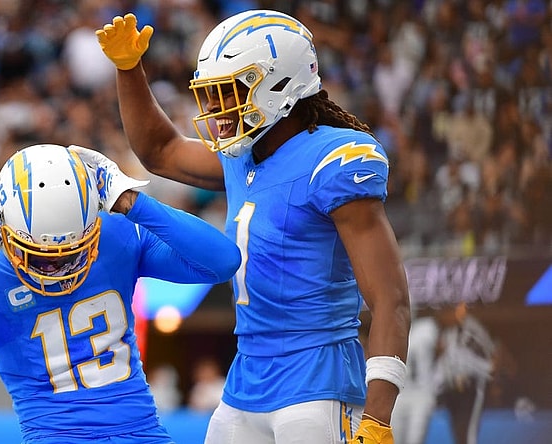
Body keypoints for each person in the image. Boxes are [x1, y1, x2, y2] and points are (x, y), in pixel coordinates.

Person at [96, 10, 411, 444]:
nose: (215, 107)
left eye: (229, 91)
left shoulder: (333, 159)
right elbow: (160, 150)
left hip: (318, 382)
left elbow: (391, 299)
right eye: (211, 94)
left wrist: (378, 418)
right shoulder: (243, 156)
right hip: (245, 381)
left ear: (279, 84)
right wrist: (129, 69)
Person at [0, 143, 242, 443]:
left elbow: (223, 262)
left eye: (72, 252)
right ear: (5, 228)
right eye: (40, 255)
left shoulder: (115, 233)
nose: (58, 267)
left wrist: (133, 202)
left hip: (143, 432)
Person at [433, 303, 495, 444]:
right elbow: (445, 363)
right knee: (459, 433)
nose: (442, 317)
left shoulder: (473, 329)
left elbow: (492, 354)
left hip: (471, 386)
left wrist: (487, 372)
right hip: (452, 389)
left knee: (468, 433)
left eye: (446, 312)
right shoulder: (447, 332)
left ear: (457, 311)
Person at [391, 313, 440, 444]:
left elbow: (441, 350)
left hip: (421, 393)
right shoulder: (391, 327)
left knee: (415, 439)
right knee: (395, 438)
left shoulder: (427, 327)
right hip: (399, 393)